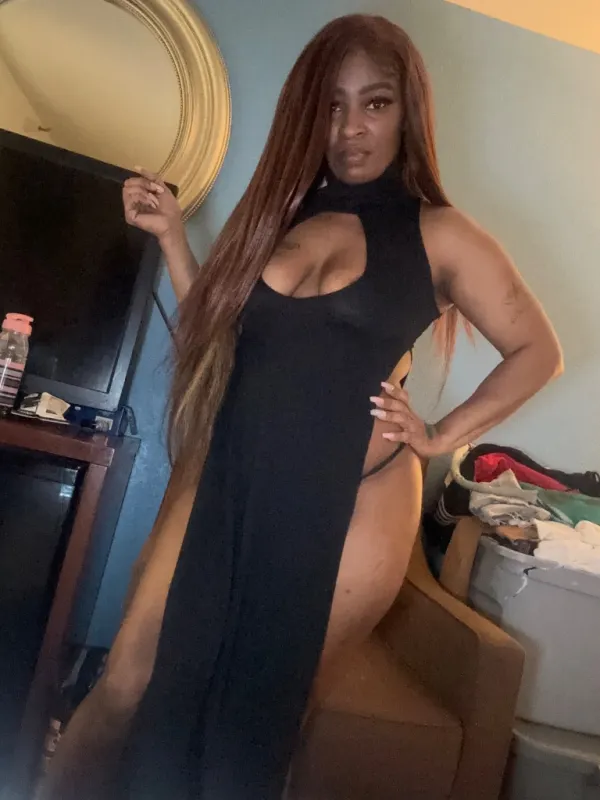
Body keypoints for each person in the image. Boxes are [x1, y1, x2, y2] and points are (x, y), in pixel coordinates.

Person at [40, 13, 562, 800]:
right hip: (233, 479)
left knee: (259, 714)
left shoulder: (442, 235)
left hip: (347, 503)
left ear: (408, 112)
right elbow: (223, 331)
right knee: (157, 679)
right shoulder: (283, 216)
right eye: (331, 106)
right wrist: (175, 238)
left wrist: (439, 435)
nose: (350, 128)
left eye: (375, 103)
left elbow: (536, 351)